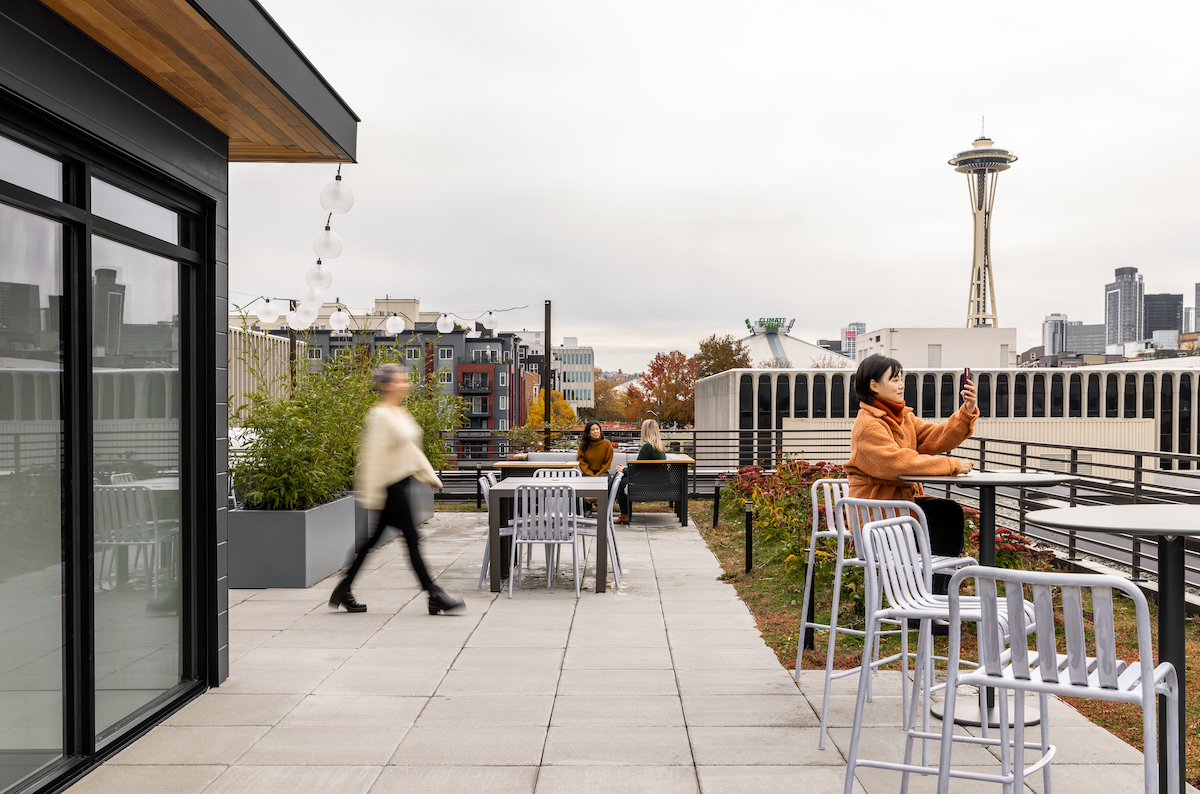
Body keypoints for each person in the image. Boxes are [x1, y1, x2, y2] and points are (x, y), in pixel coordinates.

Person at [330, 363, 464, 615]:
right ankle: (434, 594)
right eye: (401, 380)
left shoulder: (400, 414)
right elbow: (373, 457)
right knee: (412, 539)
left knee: (370, 540)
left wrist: (428, 476)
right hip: (389, 488)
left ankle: (343, 587)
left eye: (406, 380)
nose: (406, 384)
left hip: (402, 484)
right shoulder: (380, 416)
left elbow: (410, 450)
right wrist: (373, 496)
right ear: (386, 385)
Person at [844, 353, 977, 563]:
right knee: (946, 514)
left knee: (949, 512)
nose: (901, 385)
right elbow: (899, 464)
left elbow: (935, 437)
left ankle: (935, 585)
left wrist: (967, 412)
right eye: (894, 379)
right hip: (877, 515)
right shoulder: (869, 425)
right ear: (874, 385)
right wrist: (952, 465)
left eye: (901, 379)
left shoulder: (903, 418)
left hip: (897, 509)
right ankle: (934, 586)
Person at [613, 418, 667, 524]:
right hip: (656, 479)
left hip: (648, 481)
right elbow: (641, 466)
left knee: (620, 481)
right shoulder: (660, 446)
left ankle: (620, 511)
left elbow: (636, 468)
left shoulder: (648, 447)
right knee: (620, 478)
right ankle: (623, 513)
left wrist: (623, 469)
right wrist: (624, 468)